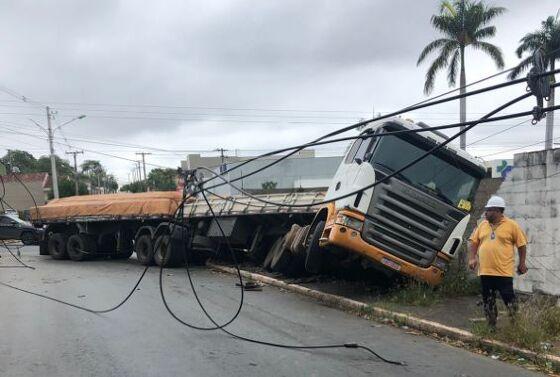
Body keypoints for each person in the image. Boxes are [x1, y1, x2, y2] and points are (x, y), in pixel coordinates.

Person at [468, 195, 528, 329]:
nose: (486, 212)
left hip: (503, 272)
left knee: (509, 299)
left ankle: (515, 324)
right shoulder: (483, 225)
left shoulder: (512, 226)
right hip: (485, 271)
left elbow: (522, 245)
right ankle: (491, 325)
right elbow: (474, 241)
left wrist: (522, 263)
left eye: (488, 210)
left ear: (498, 211)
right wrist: (472, 258)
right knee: (488, 300)